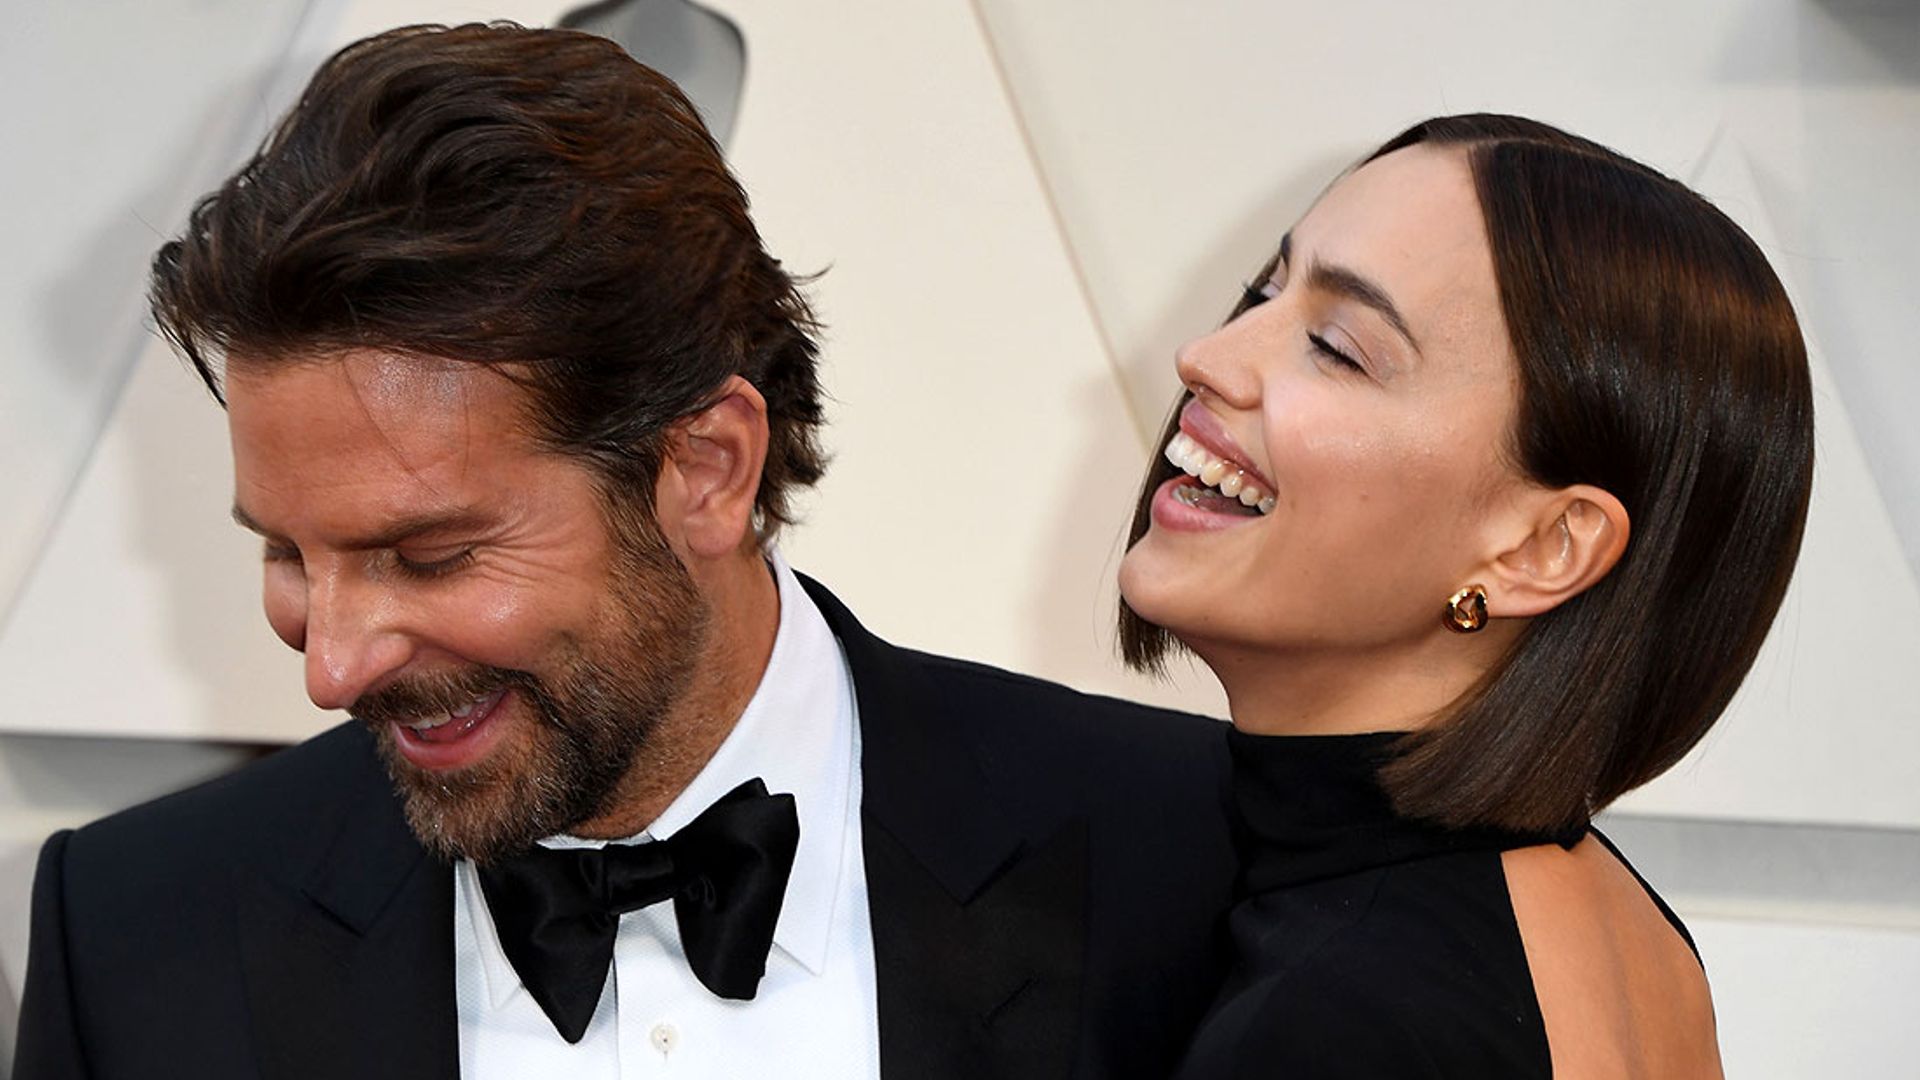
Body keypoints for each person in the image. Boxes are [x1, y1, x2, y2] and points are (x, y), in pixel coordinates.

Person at [11, 23, 1236, 1080]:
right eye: (288, 552)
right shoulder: (135, 937)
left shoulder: (1186, 857)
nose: (331, 669)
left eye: (429, 556)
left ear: (705, 470)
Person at [1116, 114, 1812, 1077]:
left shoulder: (1342, 1020)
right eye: (1263, 291)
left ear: (1540, 547)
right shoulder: (1623, 925)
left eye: (1336, 346)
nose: (1209, 355)